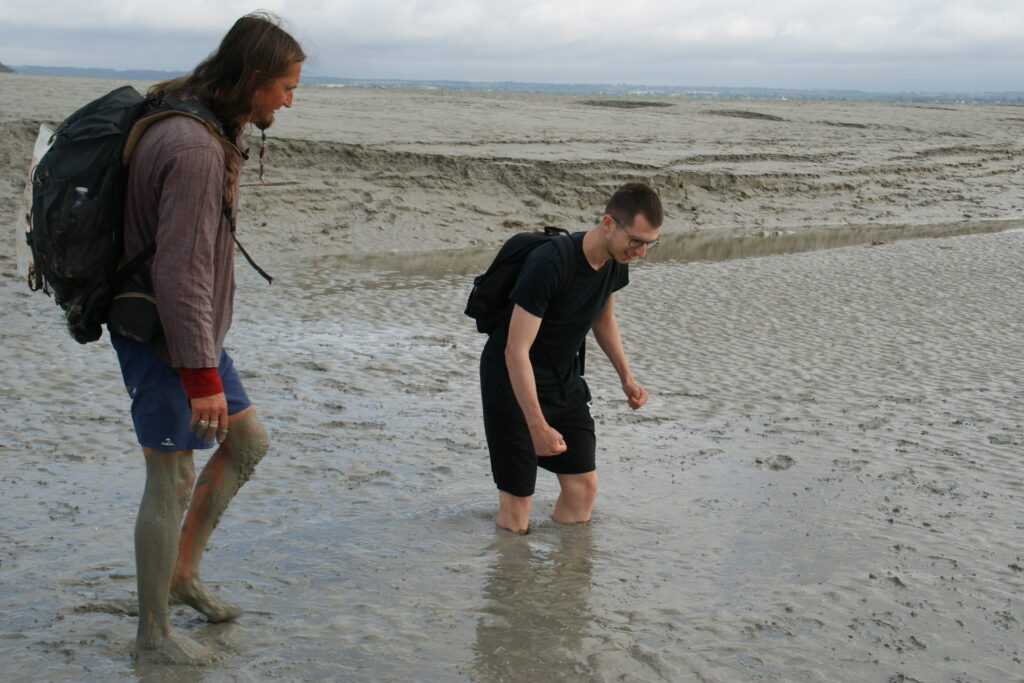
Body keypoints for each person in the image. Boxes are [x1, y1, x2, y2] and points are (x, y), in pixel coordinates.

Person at [110, 12, 304, 664]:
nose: (289, 99)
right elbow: (178, 268)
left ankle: (181, 574)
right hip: (164, 334)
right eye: (284, 85)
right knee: (170, 474)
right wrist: (200, 378)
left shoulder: (200, 118)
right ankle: (153, 636)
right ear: (251, 78)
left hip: (188, 331)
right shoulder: (193, 149)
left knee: (248, 440)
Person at [480, 182, 662, 533]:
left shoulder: (614, 260)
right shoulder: (549, 264)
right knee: (518, 503)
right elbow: (514, 351)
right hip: (512, 381)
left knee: (583, 488)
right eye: (636, 241)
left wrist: (626, 377)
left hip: (563, 380)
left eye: (650, 244)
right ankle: (513, 579)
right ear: (608, 223)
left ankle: (565, 582)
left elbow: (603, 318)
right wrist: (536, 425)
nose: (641, 252)